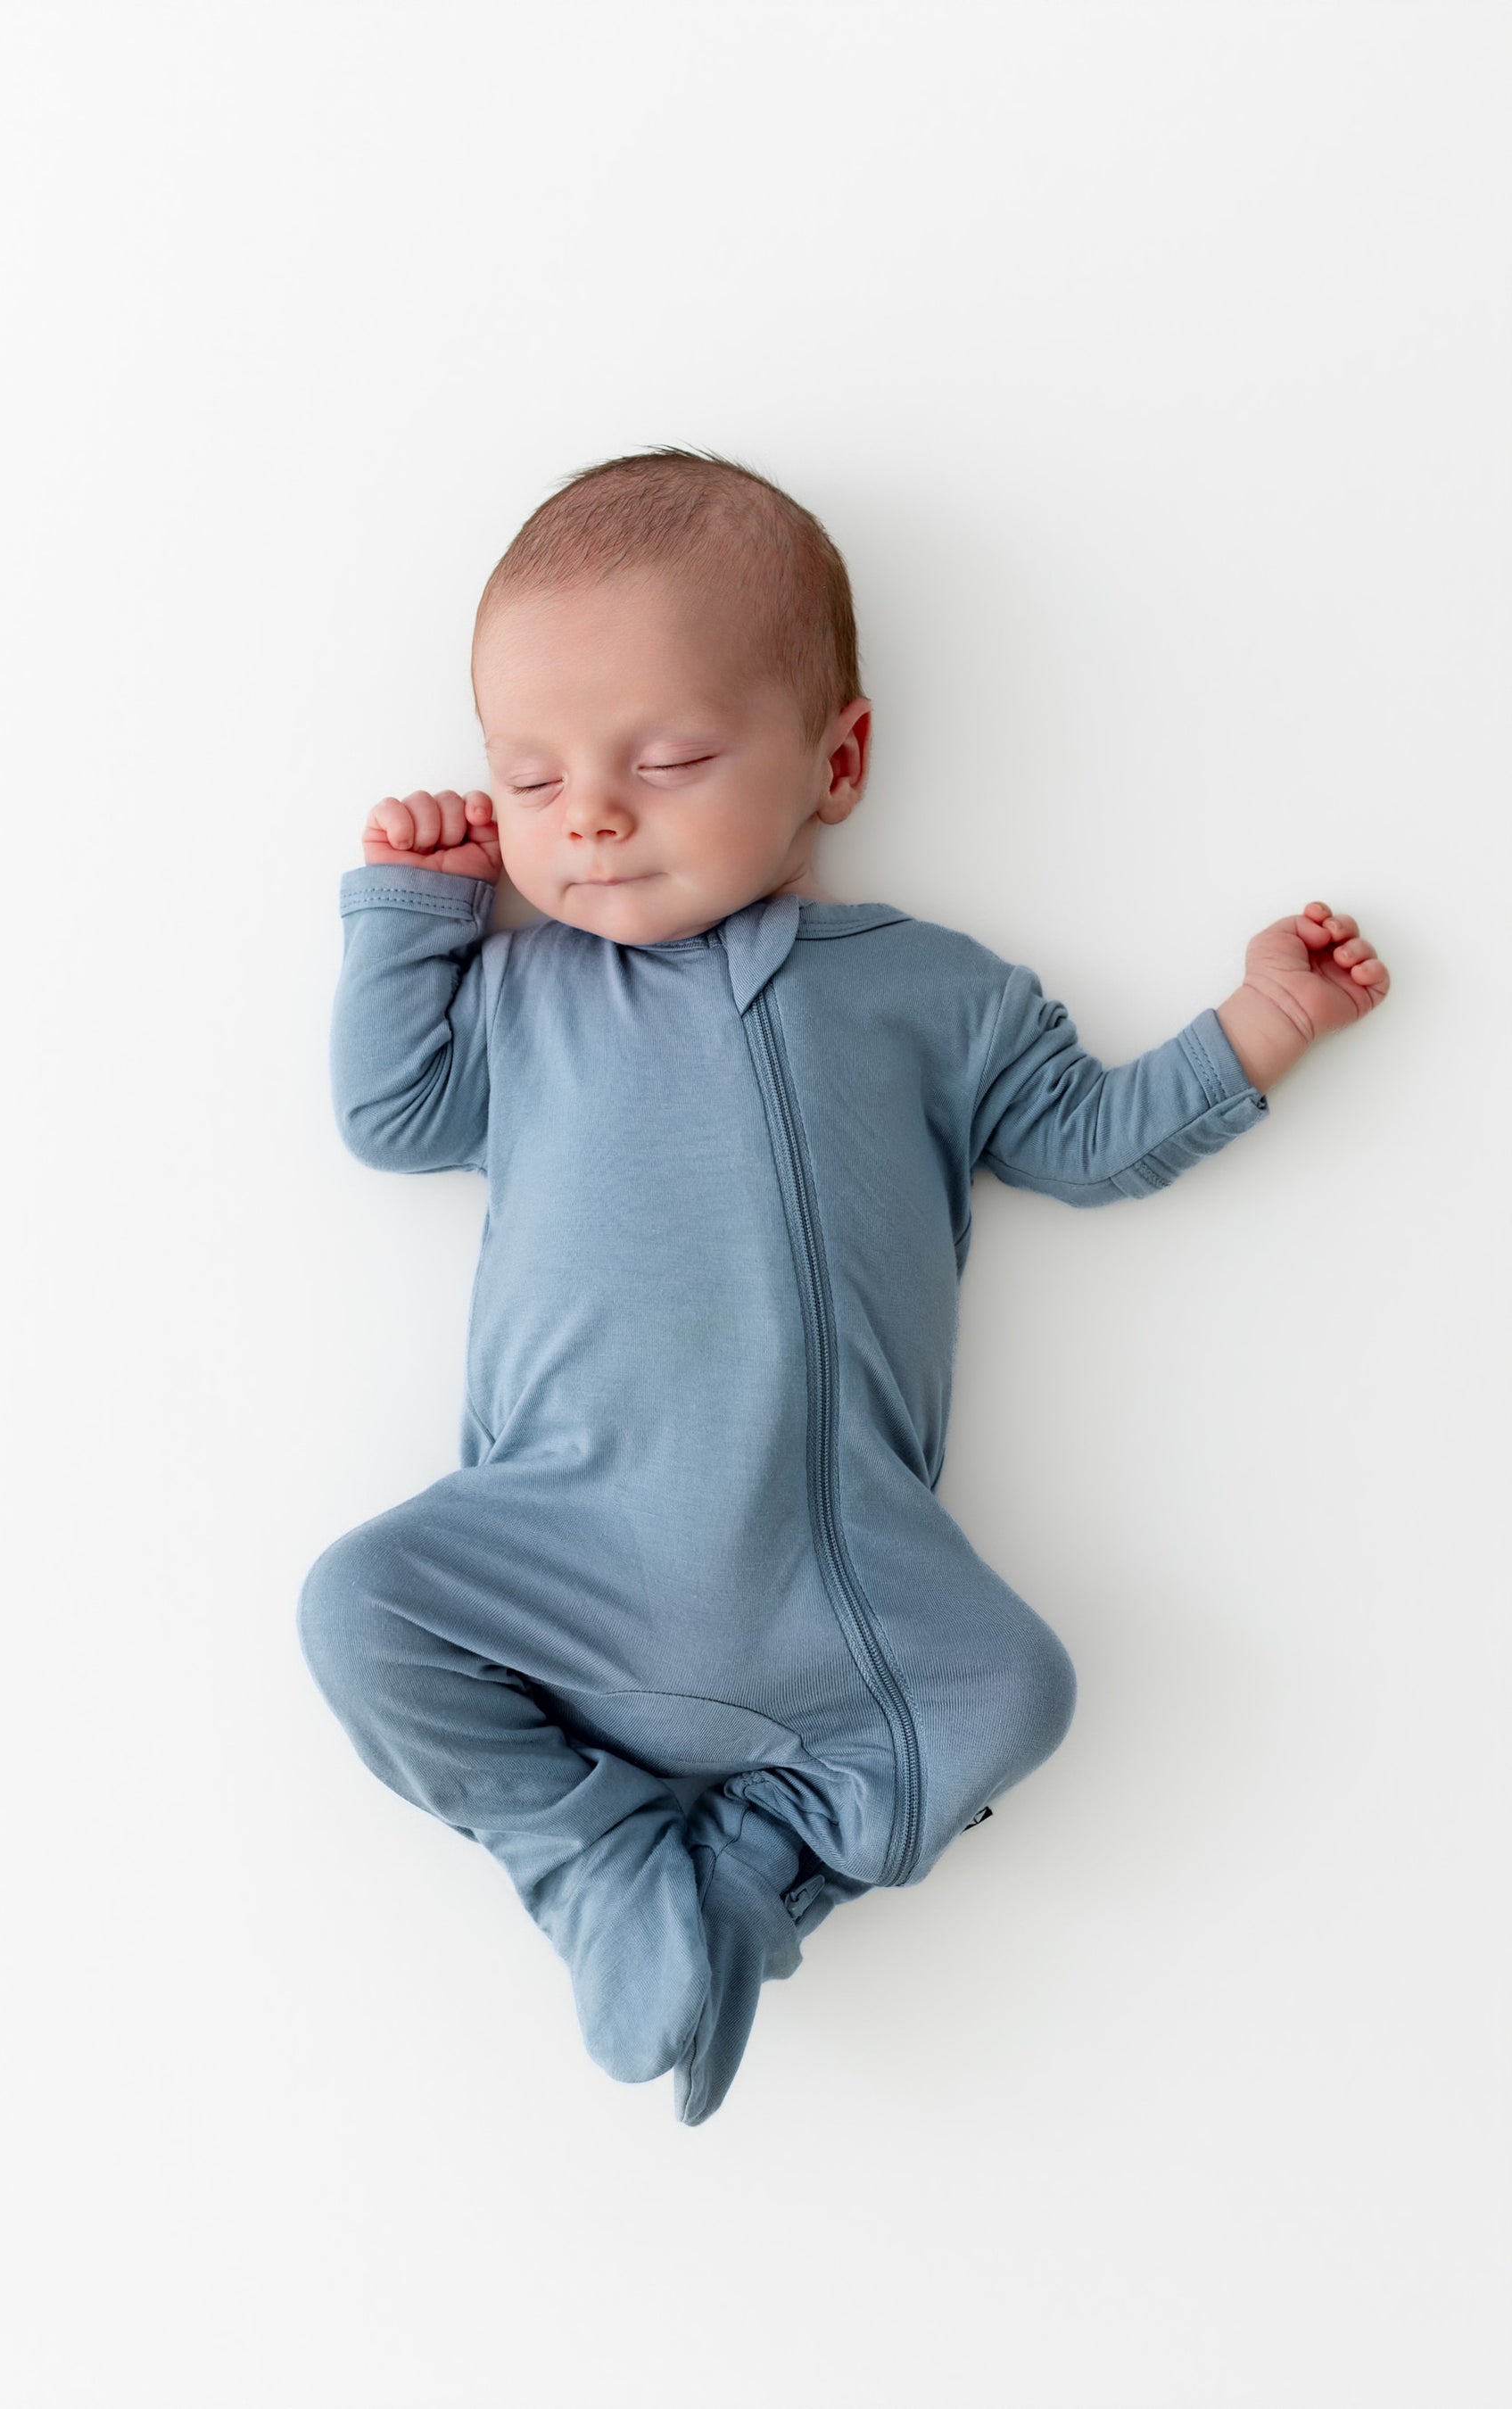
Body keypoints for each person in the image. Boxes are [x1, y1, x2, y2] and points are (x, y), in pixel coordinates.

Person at [296, 446, 1390, 2126]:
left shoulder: (935, 995)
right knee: (358, 1609)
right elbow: (387, 1118)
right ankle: (590, 1858)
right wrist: (411, 912)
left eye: (665, 759)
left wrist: (1260, 1030)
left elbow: (1088, 1139)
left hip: (835, 1590)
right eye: (525, 778)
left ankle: (740, 1875)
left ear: (838, 758)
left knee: (1018, 1692)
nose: (587, 811)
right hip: (555, 1550)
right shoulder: (525, 1001)